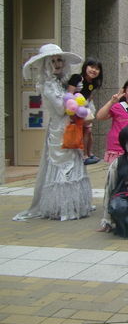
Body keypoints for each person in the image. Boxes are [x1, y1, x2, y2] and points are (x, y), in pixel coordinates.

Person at [14, 43, 92, 222]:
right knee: (62, 165)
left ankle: (74, 205)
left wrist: (77, 92)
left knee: (74, 163)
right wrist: (71, 90)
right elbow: (60, 108)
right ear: (46, 64)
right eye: (53, 61)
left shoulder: (61, 82)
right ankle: (60, 208)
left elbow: (78, 103)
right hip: (59, 130)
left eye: (59, 60)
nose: (57, 64)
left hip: (72, 126)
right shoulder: (48, 85)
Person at [67, 57, 103, 165]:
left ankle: (89, 154)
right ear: (85, 67)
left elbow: (90, 96)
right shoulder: (77, 78)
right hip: (74, 109)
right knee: (80, 131)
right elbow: (69, 94)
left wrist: (88, 108)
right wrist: (71, 111)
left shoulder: (94, 82)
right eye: (91, 67)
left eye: (97, 68)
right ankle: (83, 155)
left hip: (85, 109)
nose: (94, 70)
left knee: (88, 130)